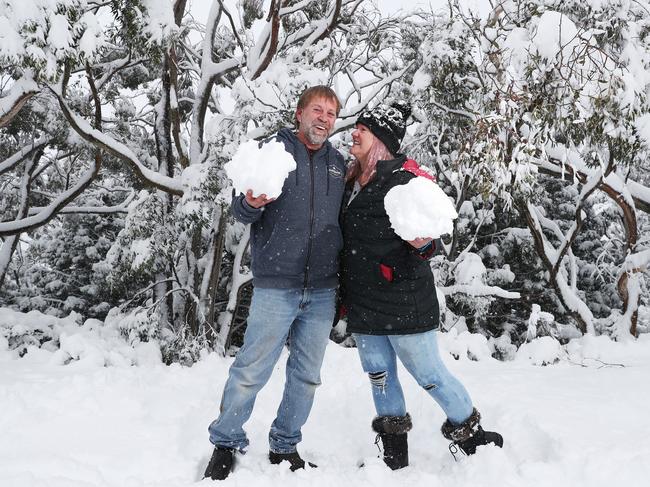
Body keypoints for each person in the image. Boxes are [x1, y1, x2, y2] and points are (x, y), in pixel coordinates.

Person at [340, 101, 503, 470]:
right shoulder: (351, 180)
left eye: (362, 129)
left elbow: (436, 237)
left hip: (404, 300)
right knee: (378, 376)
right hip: (364, 300)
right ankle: (394, 454)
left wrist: (425, 243)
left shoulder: (406, 180)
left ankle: (472, 437)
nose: (354, 132)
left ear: (380, 139)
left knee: (429, 376)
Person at [204, 86, 346, 480]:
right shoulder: (272, 152)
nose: (324, 118)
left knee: (306, 375)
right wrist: (251, 203)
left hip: (321, 290)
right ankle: (226, 442)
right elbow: (241, 210)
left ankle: (285, 444)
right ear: (299, 113)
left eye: (331, 113)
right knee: (251, 369)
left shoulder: (338, 164)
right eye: (317, 109)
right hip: (276, 285)